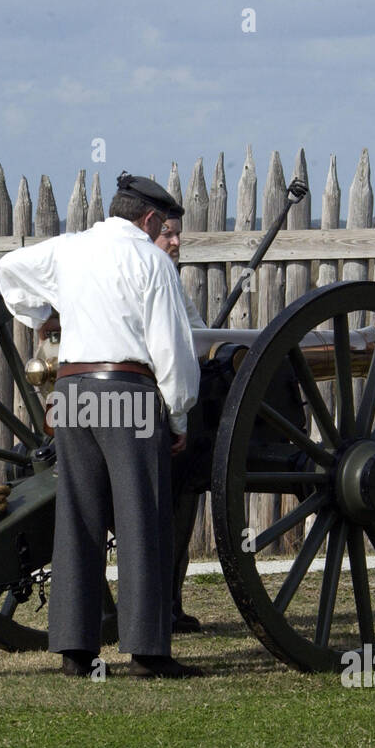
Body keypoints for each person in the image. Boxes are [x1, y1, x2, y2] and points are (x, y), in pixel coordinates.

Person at [0, 173, 202, 678]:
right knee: (142, 516)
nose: (172, 239)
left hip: (71, 393)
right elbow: (172, 350)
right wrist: (178, 414)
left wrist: (41, 314)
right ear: (149, 219)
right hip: (126, 390)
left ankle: (74, 649)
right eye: (169, 227)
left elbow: (8, 267)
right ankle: (149, 652)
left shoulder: (70, 249)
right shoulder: (151, 262)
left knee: (79, 517)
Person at [153, 214, 207, 633]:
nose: (176, 241)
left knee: (181, 506)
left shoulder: (168, 279)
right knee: (178, 502)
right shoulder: (157, 279)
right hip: (158, 411)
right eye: (167, 233)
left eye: (177, 233)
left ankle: (168, 602)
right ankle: (161, 607)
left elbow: (199, 336)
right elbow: (182, 349)